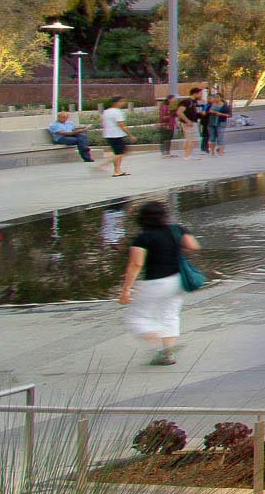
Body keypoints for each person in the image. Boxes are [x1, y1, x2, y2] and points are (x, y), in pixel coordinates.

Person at [117, 200, 200, 366]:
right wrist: (175, 249)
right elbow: (193, 246)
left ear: (142, 218)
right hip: (177, 280)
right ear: (164, 215)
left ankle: (156, 344)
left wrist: (126, 289)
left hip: (155, 282)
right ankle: (167, 353)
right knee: (170, 315)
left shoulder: (143, 238)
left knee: (136, 318)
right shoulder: (176, 229)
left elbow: (136, 264)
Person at [99, 98, 133, 176]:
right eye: (121, 101)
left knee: (118, 153)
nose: (123, 103)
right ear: (115, 103)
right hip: (116, 134)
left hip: (108, 134)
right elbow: (121, 124)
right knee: (122, 153)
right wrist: (130, 135)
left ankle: (117, 170)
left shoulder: (106, 111)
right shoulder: (117, 112)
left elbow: (102, 121)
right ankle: (102, 165)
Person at [203, 91, 232, 155]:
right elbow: (205, 113)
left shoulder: (225, 106)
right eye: (215, 97)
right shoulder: (211, 105)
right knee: (212, 137)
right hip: (211, 123)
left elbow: (229, 115)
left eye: (217, 97)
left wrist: (219, 114)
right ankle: (212, 151)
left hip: (220, 122)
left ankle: (220, 152)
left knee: (220, 137)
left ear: (221, 98)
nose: (216, 99)